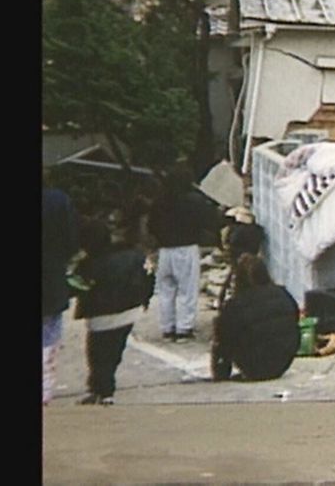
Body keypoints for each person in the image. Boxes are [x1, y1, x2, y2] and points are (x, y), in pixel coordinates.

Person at [71, 219, 155, 405]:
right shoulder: (134, 255)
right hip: (130, 310)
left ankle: (102, 389)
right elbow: (148, 278)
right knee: (114, 351)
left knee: (97, 353)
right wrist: (145, 299)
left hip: (100, 315)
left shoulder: (90, 264)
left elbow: (76, 286)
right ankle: (104, 390)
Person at [147, 164, 219, 341]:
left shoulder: (160, 201)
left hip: (164, 250)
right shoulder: (193, 200)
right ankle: (184, 329)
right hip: (186, 248)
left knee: (166, 290)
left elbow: (151, 225)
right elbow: (210, 220)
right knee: (187, 290)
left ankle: (167, 327)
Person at [211, 254, 300, 382]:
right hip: (283, 360)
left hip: (252, 364)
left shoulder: (235, 304)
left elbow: (224, 337)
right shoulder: (282, 293)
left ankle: (221, 375)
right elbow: (295, 317)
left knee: (222, 327)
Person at [43, 178, 79, 406]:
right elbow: (71, 239)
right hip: (50, 273)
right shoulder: (58, 200)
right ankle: (44, 389)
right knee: (48, 334)